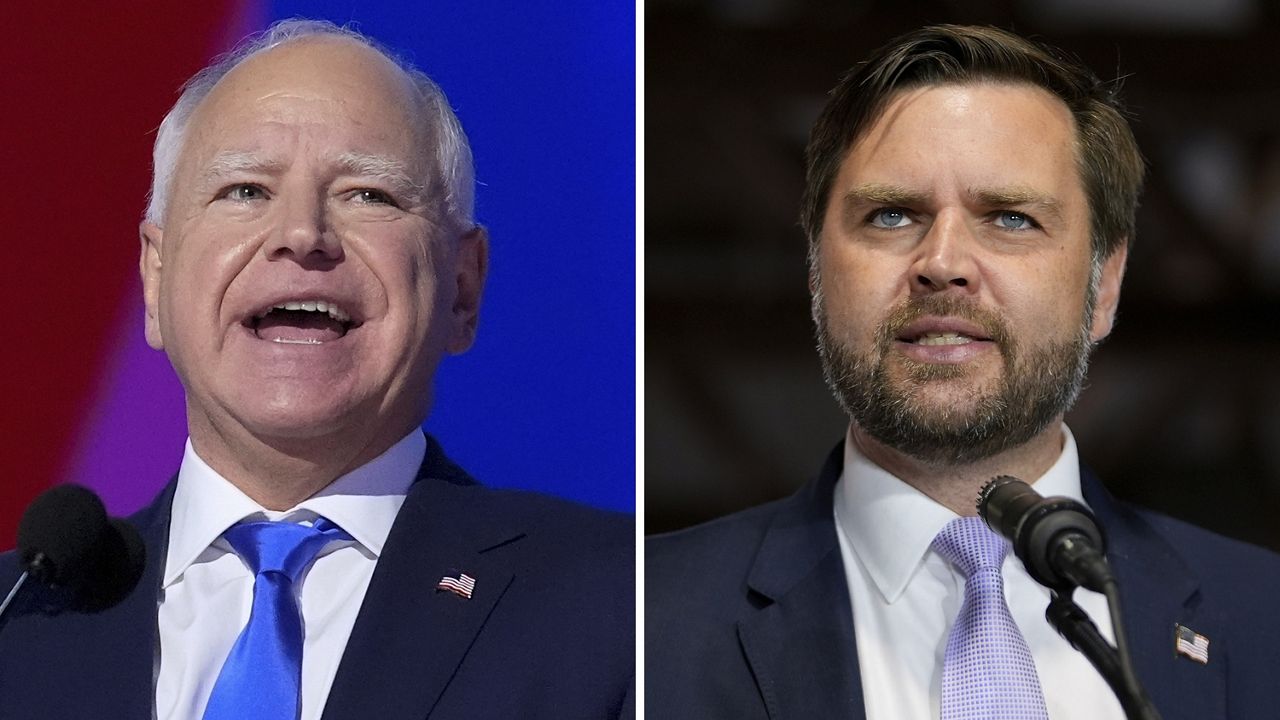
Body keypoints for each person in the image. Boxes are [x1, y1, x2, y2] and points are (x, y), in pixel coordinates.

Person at [0, 20, 632, 720]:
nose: (302, 234)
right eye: (244, 190)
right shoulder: (19, 621)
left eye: (369, 195)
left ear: (462, 288)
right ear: (155, 276)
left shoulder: (618, 604)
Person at [646, 24, 1280, 719]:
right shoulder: (643, 620)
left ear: (1105, 286)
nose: (942, 262)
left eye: (1009, 219)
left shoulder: (1262, 619)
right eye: (892, 215)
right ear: (816, 272)